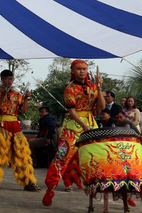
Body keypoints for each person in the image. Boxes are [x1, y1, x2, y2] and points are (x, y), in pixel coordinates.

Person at [42, 59, 105, 207]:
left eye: (84, 69)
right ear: (73, 72)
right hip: (74, 127)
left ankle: (100, 186)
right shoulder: (69, 89)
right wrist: (83, 125)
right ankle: (50, 189)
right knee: (62, 156)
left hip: (91, 125)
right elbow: (72, 111)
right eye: (78, 69)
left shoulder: (93, 86)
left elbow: (101, 108)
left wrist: (100, 87)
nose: (82, 71)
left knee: (98, 157)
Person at [0, 69, 39, 191]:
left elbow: (24, 111)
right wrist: (2, 95)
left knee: (22, 154)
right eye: (6, 79)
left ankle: (28, 181)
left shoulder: (17, 95)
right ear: (2, 79)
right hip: (2, 126)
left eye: (11, 79)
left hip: (15, 126)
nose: (9, 81)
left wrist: (26, 99)